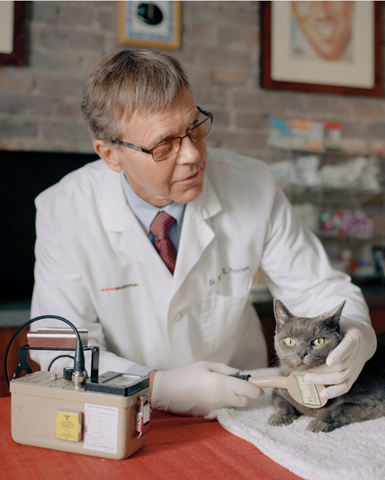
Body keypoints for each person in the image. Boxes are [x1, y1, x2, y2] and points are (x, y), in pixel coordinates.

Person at [30, 49, 376, 417]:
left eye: (194, 127)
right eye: (164, 144)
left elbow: (316, 289)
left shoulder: (253, 183)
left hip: (247, 404)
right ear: (110, 154)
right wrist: (156, 385)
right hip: (128, 408)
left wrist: (357, 331)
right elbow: (58, 348)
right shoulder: (64, 209)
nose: (193, 155)